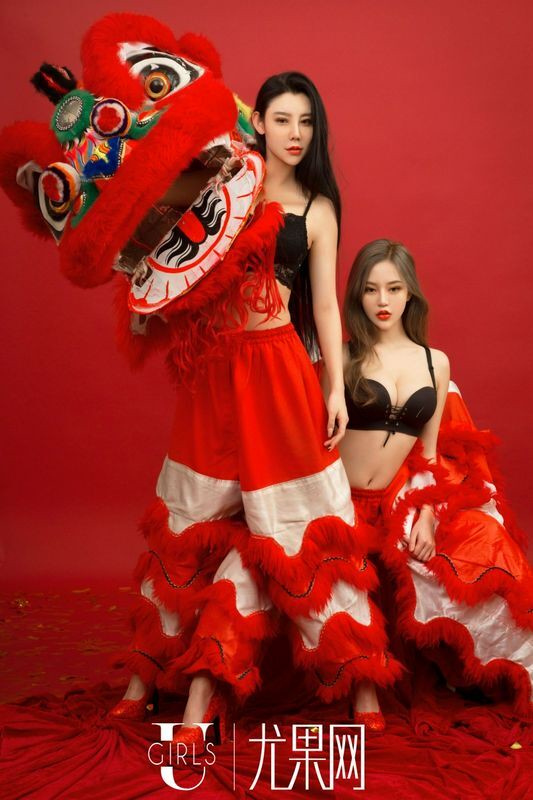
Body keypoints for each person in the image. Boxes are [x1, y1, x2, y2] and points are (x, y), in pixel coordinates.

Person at [109, 76, 402, 743]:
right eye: (282, 119)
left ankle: (362, 681)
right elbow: (165, 250)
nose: (295, 133)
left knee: (310, 525)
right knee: (186, 522)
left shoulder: (319, 208)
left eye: (306, 121)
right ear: (258, 122)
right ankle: (141, 679)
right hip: (213, 372)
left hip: (279, 368)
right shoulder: (224, 182)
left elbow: (323, 305)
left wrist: (333, 389)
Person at [335, 238, 533, 721]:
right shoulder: (342, 357)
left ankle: (506, 673)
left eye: (393, 288)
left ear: (410, 295)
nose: (382, 301)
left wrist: (425, 514)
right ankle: (363, 691)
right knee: (344, 573)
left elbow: (428, 453)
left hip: (395, 497)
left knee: (487, 541)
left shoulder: (434, 362)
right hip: (338, 495)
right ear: (357, 296)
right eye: (370, 289)